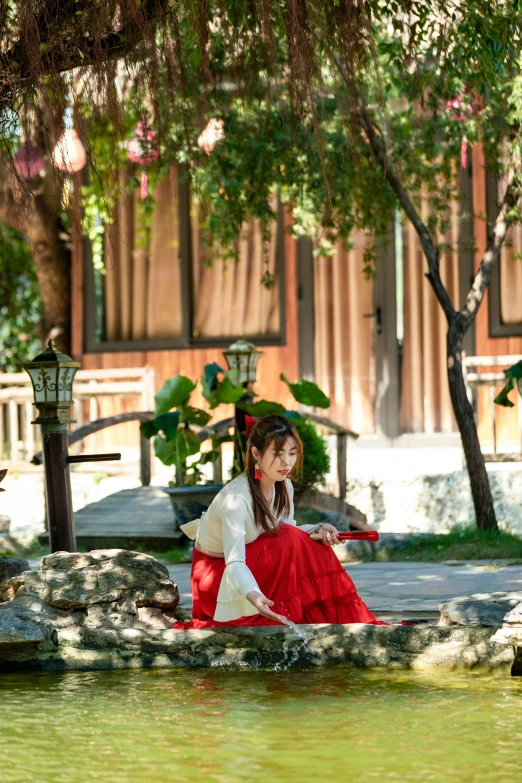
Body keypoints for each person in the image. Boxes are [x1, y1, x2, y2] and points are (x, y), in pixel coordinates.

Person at [173, 414, 383, 629]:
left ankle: (334, 616)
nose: (287, 462)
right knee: (289, 539)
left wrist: (319, 529)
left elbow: (286, 528)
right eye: (278, 454)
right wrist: (253, 594)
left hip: (249, 559)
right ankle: (280, 611)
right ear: (256, 453)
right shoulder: (236, 500)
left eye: (292, 453)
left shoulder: (283, 484)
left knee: (312, 543)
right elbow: (235, 561)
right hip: (219, 576)